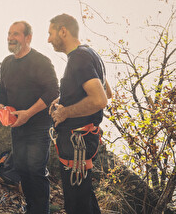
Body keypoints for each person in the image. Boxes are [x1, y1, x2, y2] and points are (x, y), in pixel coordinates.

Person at [47, 13, 112, 214]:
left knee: (76, 205)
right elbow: (107, 92)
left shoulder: (79, 58)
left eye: (50, 33)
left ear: (63, 31)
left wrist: (66, 112)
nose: (48, 39)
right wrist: (63, 100)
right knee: (84, 199)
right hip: (82, 141)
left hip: (77, 144)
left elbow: (100, 100)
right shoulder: (90, 54)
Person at [0, 21, 59, 214]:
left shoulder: (41, 61)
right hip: (17, 125)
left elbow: (53, 92)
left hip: (38, 126)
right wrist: (1, 106)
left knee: (35, 170)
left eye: (15, 34)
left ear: (28, 38)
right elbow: (3, 91)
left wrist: (28, 113)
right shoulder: (7, 62)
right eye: (9, 33)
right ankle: (31, 208)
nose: (10, 37)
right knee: (21, 169)